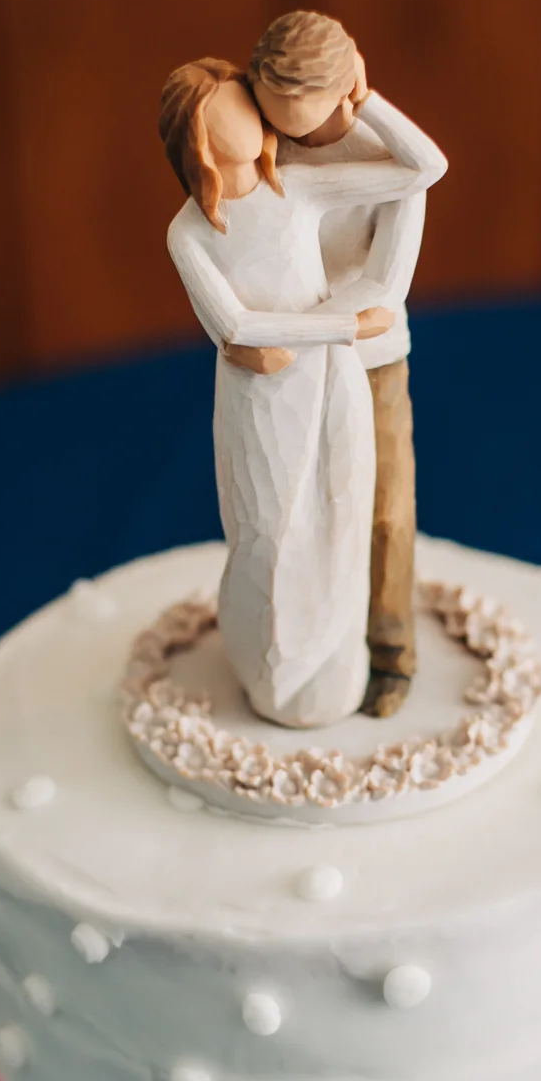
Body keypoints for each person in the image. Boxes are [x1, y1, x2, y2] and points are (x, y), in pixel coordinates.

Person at [159, 54, 444, 729]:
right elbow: (235, 327)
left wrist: (364, 99)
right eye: (235, 104)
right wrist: (340, 327)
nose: (256, 116)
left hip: (330, 381)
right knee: (268, 532)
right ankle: (269, 673)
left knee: (339, 519)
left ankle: (338, 672)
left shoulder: (297, 189)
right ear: (197, 134)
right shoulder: (188, 232)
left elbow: (422, 170)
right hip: (259, 401)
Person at [249, 11, 447, 718]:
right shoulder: (260, 143)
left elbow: (384, 289)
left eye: (298, 122)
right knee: (298, 512)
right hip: (284, 361)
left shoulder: (390, 163)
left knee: (383, 511)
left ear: (346, 86)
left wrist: (307, 329)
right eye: (273, 119)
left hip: (366, 360)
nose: (285, 141)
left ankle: (390, 652)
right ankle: (305, 649)